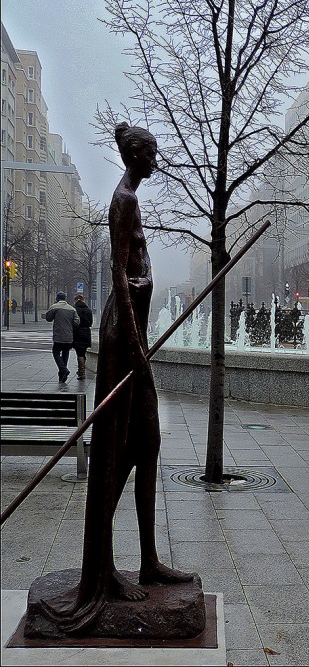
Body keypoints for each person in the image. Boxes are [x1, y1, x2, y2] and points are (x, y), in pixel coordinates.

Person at [42, 123, 195, 635]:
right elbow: (119, 280)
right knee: (118, 448)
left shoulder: (133, 199)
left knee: (147, 439)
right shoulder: (123, 200)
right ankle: (103, 568)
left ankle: (148, 559)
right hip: (121, 335)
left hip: (130, 336)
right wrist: (135, 347)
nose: (158, 159)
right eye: (152, 152)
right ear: (136, 155)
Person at [45, 292, 80, 383]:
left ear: (57, 298)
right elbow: (77, 322)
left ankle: (63, 370)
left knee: (55, 352)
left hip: (58, 335)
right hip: (69, 336)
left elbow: (48, 318)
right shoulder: (72, 309)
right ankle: (62, 376)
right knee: (65, 354)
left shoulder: (54, 307)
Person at [72, 293, 94, 380]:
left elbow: (73, 322)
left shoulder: (74, 310)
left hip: (77, 333)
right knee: (83, 352)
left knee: (79, 353)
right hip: (86, 333)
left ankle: (81, 372)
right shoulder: (88, 310)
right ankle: (81, 370)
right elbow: (90, 323)